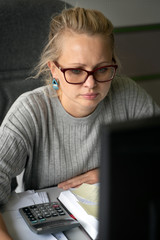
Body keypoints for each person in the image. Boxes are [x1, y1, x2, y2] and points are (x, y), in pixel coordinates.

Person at [0, 7, 160, 240]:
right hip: (50, 228)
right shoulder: (30, 111)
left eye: (102, 69)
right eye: (76, 71)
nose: (91, 83)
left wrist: (110, 173)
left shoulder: (127, 93)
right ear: (54, 69)